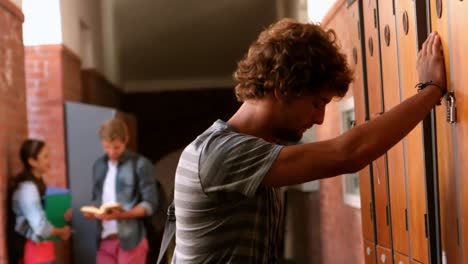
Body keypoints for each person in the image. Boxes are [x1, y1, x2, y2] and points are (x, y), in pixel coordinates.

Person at [171, 18, 446, 263]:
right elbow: (347, 154)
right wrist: (430, 91)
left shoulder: (242, 151)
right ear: (282, 90)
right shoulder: (221, 153)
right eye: (317, 103)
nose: (320, 119)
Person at [83, 118, 159, 264]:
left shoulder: (140, 164)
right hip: (104, 239)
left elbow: (150, 203)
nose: (111, 152)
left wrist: (123, 214)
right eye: (107, 147)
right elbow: (97, 198)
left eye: (116, 147)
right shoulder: (99, 165)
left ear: (126, 140)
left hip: (131, 239)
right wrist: (93, 210)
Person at [8, 139, 72, 264]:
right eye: (45, 157)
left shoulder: (38, 185)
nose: (49, 161)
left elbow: (43, 219)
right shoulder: (28, 189)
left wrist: (61, 217)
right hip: (34, 255)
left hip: (45, 253)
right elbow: (40, 228)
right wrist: (61, 231)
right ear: (32, 161)